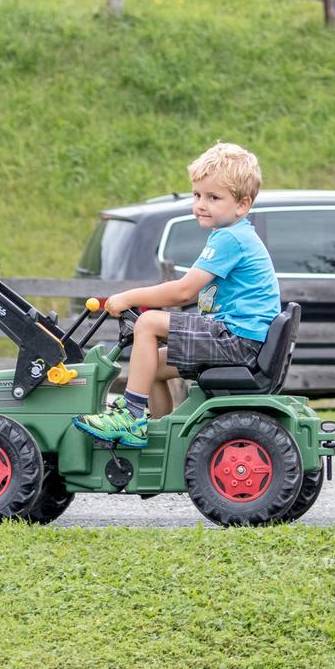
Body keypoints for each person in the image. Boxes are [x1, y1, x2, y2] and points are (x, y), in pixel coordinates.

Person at [73, 142, 281, 448]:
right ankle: (159, 436)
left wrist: (128, 297)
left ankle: (130, 415)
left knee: (148, 323)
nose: (201, 204)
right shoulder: (232, 235)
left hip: (238, 339)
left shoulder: (230, 239)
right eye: (197, 195)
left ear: (242, 205)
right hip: (239, 337)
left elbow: (183, 290)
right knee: (154, 367)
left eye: (213, 197)